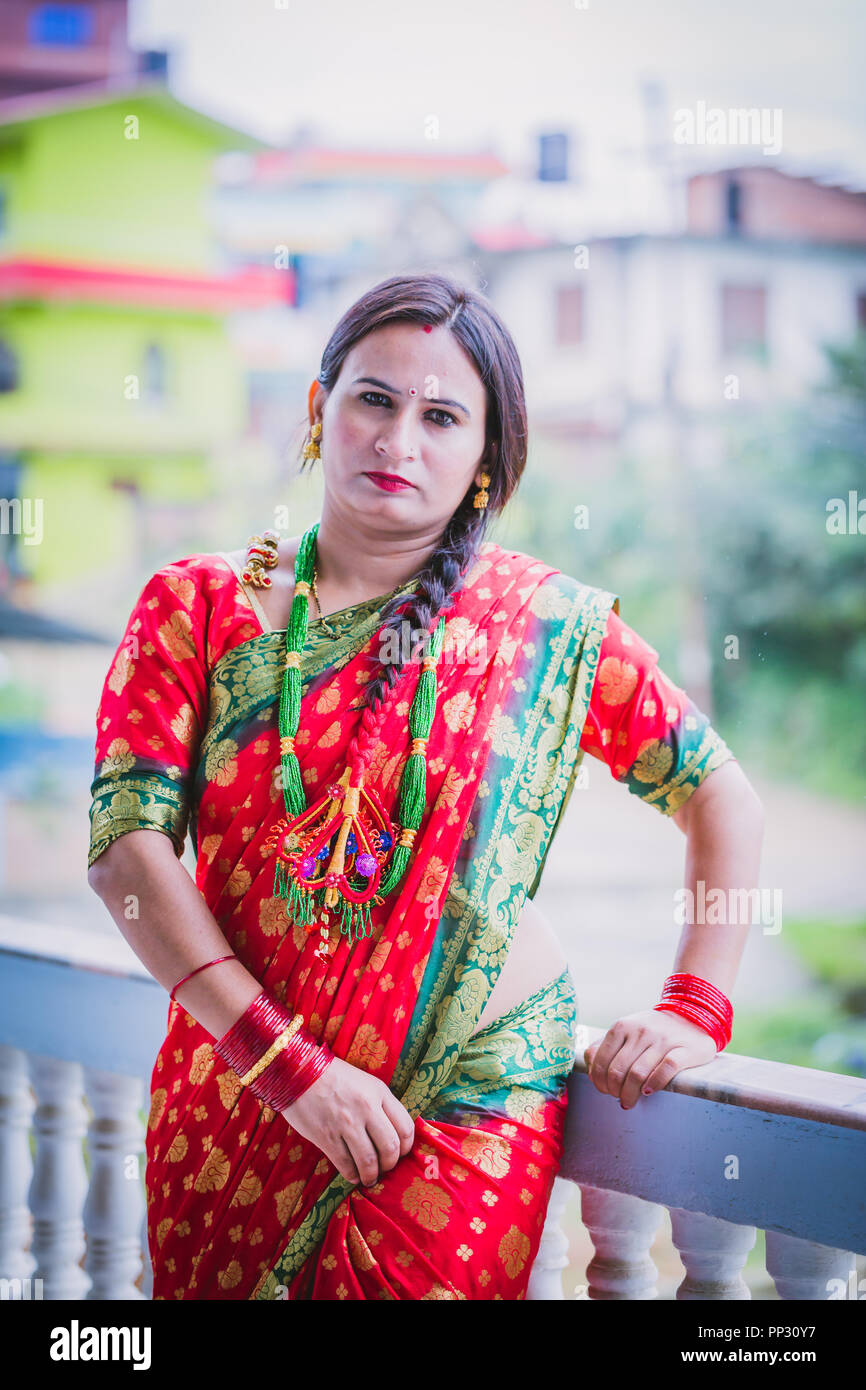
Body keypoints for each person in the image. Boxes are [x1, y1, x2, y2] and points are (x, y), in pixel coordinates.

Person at [87, 272, 764, 1301]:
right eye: (374, 399)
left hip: (462, 1105)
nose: (398, 441)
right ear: (319, 410)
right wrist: (286, 1068)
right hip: (241, 1094)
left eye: (440, 416)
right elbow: (124, 856)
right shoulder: (196, 607)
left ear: (485, 461)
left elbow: (720, 796)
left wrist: (693, 1006)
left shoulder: (545, 626)